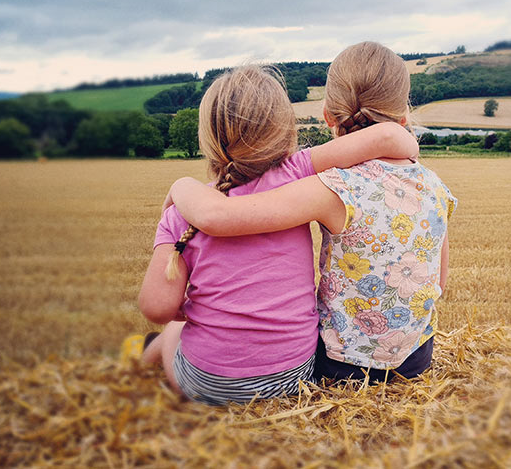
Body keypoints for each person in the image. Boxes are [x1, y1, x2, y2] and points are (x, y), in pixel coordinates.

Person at [165, 42, 456, 383]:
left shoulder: (331, 188)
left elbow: (221, 217)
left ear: (328, 116)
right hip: (417, 360)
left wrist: (181, 187)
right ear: (404, 117)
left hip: (342, 366)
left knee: (171, 335)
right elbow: (438, 281)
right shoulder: (436, 186)